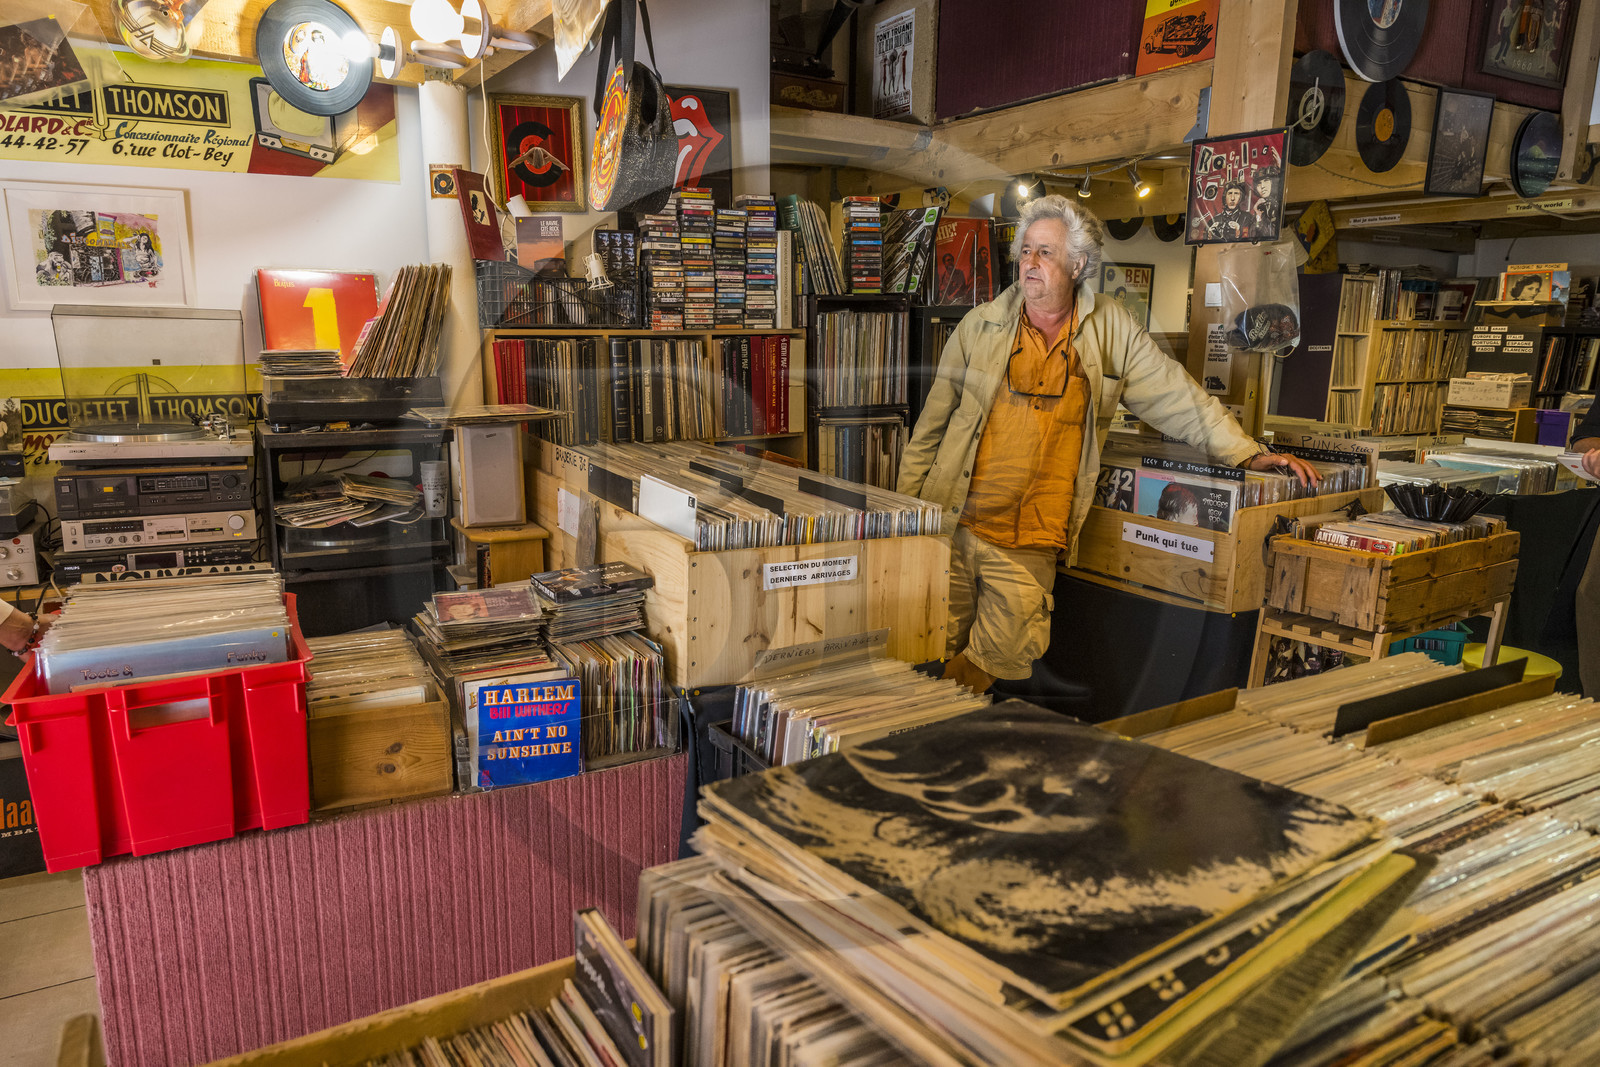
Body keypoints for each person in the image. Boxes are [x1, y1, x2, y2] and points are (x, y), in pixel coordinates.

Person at [898, 195, 1318, 693]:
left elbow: (1175, 395)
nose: (1029, 262)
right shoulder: (979, 326)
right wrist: (904, 521)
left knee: (992, 662)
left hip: (1031, 542)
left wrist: (1246, 451)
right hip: (952, 523)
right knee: (925, 651)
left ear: (1078, 264)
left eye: (1045, 253)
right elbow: (930, 430)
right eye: (1026, 251)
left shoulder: (1111, 328)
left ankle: (936, 726)